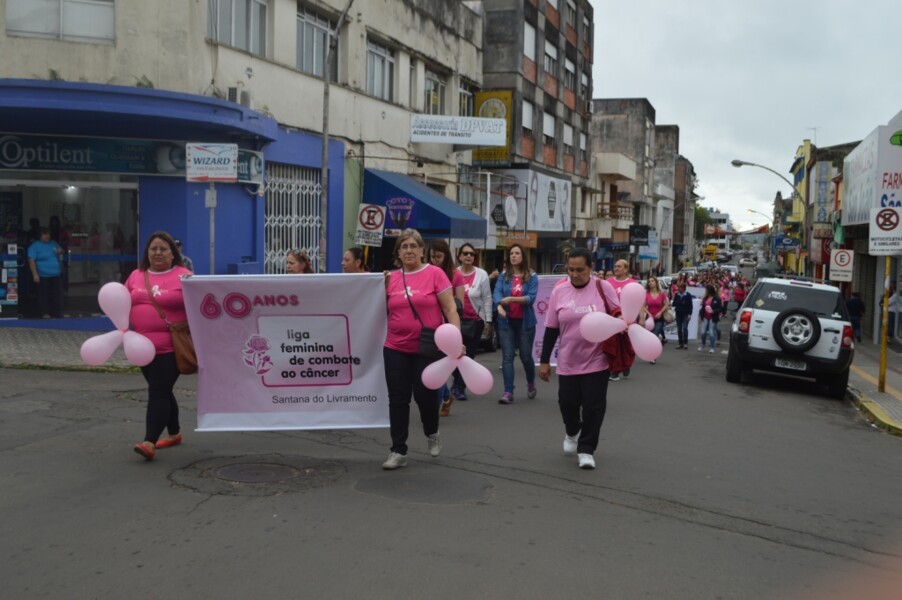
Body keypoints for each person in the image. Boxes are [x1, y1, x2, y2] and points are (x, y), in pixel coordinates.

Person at [382, 229, 461, 470]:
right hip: (395, 346)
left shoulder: (435, 274)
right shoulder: (391, 278)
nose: (408, 251)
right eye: (403, 247)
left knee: (426, 397)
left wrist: (456, 340)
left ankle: (431, 431)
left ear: (421, 251)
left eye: (413, 246)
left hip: (427, 348)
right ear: (398, 252)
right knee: (397, 399)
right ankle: (398, 450)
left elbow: (450, 309)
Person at [537, 248, 620, 470]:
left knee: (594, 406)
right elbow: (551, 328)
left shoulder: (603, 288)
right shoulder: (559, 291)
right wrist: (544, 361)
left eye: (580, 270)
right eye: (570, 269)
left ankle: (586, 449)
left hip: (597, 359)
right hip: (568, 361)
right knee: (568, 404)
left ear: (591, 268)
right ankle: (572, 430)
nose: (574, 274)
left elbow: (619, 314)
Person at [124, 231, 192, 460]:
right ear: (147, 253)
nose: (158, 253)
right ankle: (174, 433)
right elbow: (122, 302)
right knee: (162, 390)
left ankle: (149, 441)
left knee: (158, 391)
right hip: (140, 347)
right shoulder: (136, 275)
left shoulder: (185, 277)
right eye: (153, 249)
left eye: (164, 249)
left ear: (174, 254)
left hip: (170, 347)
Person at [494, 243, 538, 404]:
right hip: (506, 322)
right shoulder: (503, 276)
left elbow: (530, 298)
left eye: (517, 253)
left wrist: (512, 299)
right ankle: (508, 391)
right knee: (507, 356)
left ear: (523, 257)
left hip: (525, 323)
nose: (513, 256)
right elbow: (497, 293)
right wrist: (499, 305)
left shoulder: (531, 276)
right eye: (511, 253)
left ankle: (531, 383)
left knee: (526, 357)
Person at [450, 243, 493, 407]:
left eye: (472, 254)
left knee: (468, 356)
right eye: (465, 253)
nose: (469, 256)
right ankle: (457, 379)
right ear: (459, 256)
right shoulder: (454, 274)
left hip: (475, 321)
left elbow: (487, 298)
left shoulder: (482, 275)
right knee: (454, 355)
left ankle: (459, 387)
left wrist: (488, 320)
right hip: (456, 321)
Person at [428, 239, 463, 415]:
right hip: (428, 326)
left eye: (439, 257)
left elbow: (459, 304)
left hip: (447, 327)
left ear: (446, 257)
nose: (435, 260)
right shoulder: (426, 272)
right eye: (432, 257)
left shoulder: (455, 275)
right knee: (432, 365)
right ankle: (447, 397)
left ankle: (440, 400)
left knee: (439, 366)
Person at [606, 259, 637, 380]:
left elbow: (638, 301)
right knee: (613, 346)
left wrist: (640, 319)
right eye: (615, 266)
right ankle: (614, 370)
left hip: (628, 320)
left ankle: (625, 364)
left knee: (625, 347)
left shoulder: (632, 283)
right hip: (612, 319)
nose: (616, 268)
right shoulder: (608, 282)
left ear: (626, 269)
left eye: (619, 266)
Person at [27, 227, 63, 318]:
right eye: (45, 234)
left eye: (48, 234)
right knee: (43, 295)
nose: (47, 236)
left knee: (56, 295)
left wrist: (60, 251)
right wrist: (35, 274)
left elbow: (61, 250)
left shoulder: (53, 243)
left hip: (55, 274)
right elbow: (31, 260)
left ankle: (56, 312)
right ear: (40, 236)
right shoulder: (35, 245)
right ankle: (44, 312)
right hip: (43, 275)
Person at [645, 276, 671, 358]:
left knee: (655, 336)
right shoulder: (646, 294)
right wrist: (648, 313)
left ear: (656, 283)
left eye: (652, 281)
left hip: (659, 318)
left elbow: (666, 304)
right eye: (649, 281)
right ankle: (651, 353)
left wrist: (660, 312)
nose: (650, 283)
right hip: (650, 319)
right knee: (650, 338)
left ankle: (653, 356)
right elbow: (642, 306)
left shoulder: (662, 294)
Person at [698, 284, 723, 354]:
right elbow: (703, 307)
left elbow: (720, 308)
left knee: (711, 332)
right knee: (703, 332)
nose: (705, 291)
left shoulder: (716, 298)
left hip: (713, 317)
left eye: (706, 290)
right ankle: (703, 345)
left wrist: (714, 311)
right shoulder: (705, 298)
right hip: (705, 317)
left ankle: (712, 347)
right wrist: (701, 314)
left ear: (709, 291)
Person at [671, 281, 694, 349]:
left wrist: (690, 314)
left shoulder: (688, 295)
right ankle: (680, 343)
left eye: (680, 288)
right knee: (679, 329)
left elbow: (690, 306)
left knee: (685, 328)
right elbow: (674, 303)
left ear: (684, 288)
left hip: (685, 314)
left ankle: (685, 343)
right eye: (678, 287)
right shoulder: (676, 295)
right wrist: (673, 302)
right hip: (678, 313)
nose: (678, 289)